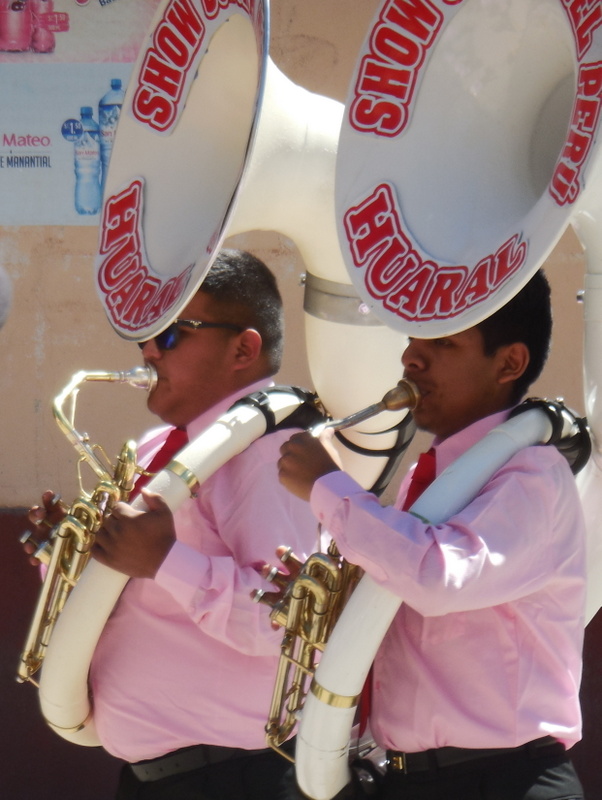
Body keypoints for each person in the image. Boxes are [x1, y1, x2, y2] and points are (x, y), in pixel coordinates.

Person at [277, 269, 586, 800]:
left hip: (506, 780)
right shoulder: (430, 485)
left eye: (443, 342)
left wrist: (330, 488)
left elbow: (438, 578)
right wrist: (335, 602)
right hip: (415, 777)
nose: (411, 360)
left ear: (509, 363)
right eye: (413, 341)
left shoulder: (532, 478)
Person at [28, 249, 320, 800]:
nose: (147, 351)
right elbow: (129, 595)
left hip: (239, 776)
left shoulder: (269, 455)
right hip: (162, 778)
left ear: (243, 348)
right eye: (147, 337)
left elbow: (282, 625)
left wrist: (164, 561)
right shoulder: (156, 449)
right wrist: (66, 561)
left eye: (171, 335)